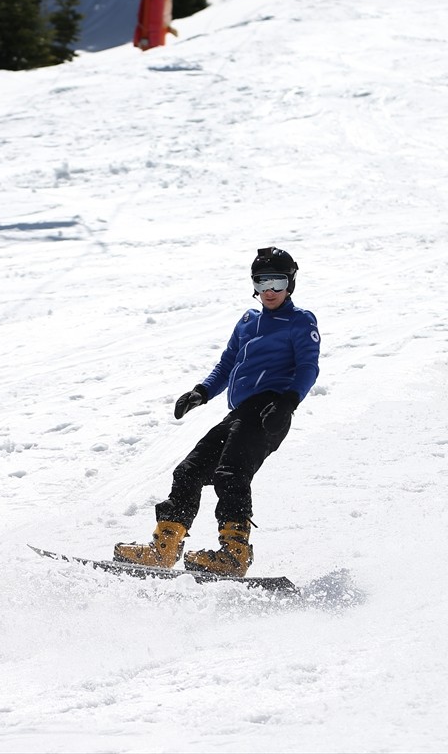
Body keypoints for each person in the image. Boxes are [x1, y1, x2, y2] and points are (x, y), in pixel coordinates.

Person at [113, 247, 321, 577]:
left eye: (277, 283)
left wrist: (288, 403)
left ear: (290, 284)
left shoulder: (300, 321)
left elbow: (309, 367)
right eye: (262, 282)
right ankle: (164, 549)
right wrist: (202, 391)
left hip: (269, 410)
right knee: (188, 471)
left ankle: (235, 553)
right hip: (239, 412)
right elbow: (227, 364)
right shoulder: (248, 321)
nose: (269, 291)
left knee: (231, 473)